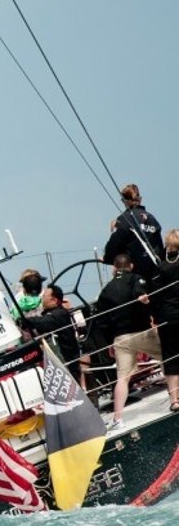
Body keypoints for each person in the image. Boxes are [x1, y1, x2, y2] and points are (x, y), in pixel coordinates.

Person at [97, 254, 155, 429]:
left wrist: (110, 342)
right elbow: (140, 294)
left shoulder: (106, 290)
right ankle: (174, 396)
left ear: (115, 268)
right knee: (169, 356)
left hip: (120, 338)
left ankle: (118, 418)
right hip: (142, 333)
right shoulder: (136, 278)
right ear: (131, 265)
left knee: (122, 378)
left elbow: (102, 321)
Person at [20, 284, 83, 382]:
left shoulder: (60, 314)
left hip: (67, 364)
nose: (42, 298)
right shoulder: (54, 314)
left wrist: (25, 321)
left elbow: (44, 323)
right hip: (59, 364)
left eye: (44, 296)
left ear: (54, 300)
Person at [104, 183, 164, 275]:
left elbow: (113, 246)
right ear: (140, 199)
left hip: (134, 274)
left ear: (124, 201)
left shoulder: (124, 219)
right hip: (155, 272)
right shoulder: (152, 219)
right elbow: (159, 246)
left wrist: (107, 259)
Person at [149, 229, 179, 411]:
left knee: (170, 356)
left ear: (168, 245)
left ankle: (175, 400)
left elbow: (155, 297)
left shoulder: (160, 268)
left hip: (167, 317)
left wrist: (156, 318)